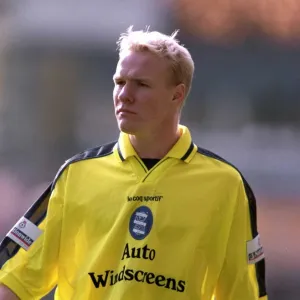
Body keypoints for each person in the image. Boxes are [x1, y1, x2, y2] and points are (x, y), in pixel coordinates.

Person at [0, 27, 268, 300]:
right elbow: (13, 281)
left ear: (177, 95)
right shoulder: (75, 174)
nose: (124, 95)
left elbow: (245, 293)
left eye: (141, 84)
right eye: (119, 82)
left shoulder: (226, 184)